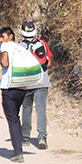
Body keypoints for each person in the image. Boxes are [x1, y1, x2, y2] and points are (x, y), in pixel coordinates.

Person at [19, 21, 53, 150]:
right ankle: (42, 137)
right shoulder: (42, 43)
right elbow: (48, 63)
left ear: (22, 32)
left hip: (27, 83)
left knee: (26, 109)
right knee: (41, 109)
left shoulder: (19, 46)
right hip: (42, 81)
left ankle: (26, 137)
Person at [0, 26, 28, 163]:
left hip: (9, 87)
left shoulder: (6, 47)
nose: (1, 40)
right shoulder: (21, 47)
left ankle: (18, 152)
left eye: (3, 37)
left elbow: (4, 63)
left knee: (13, 120)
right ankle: (19, 144)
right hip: (22, 86)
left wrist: (0, 55)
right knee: (16, 117)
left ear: (11, 36)